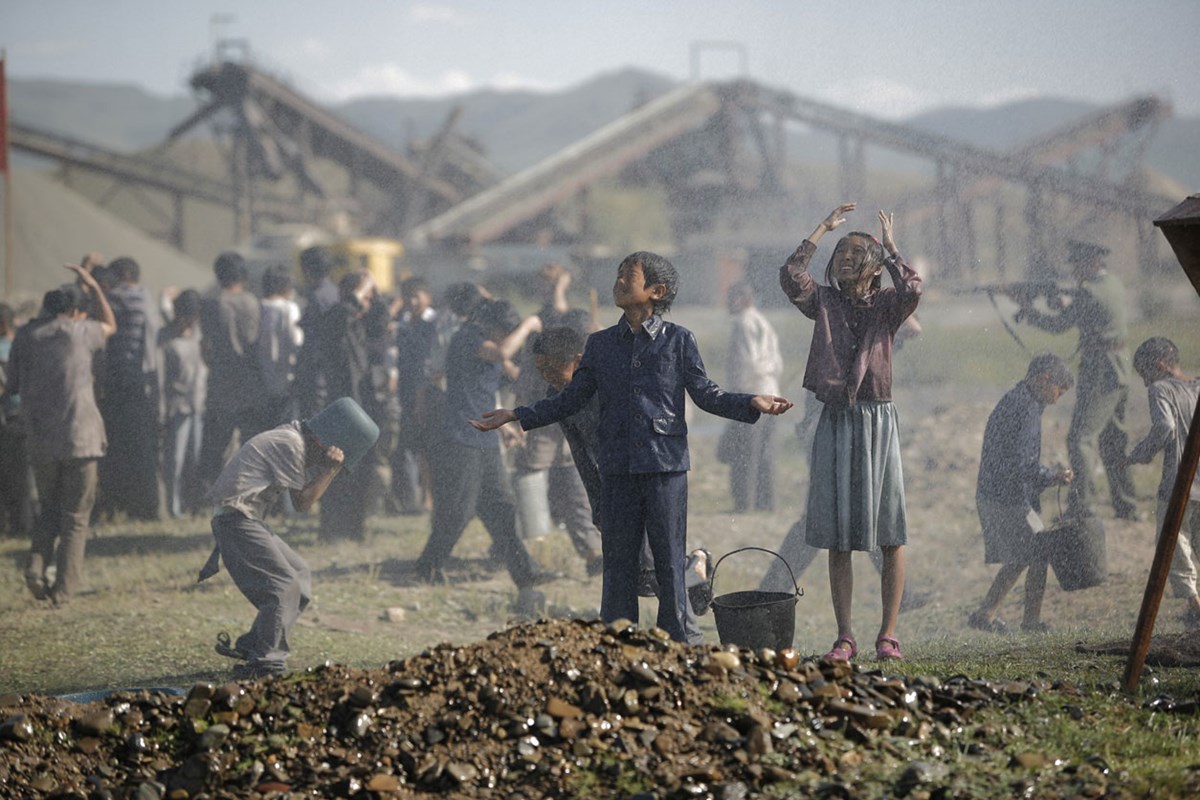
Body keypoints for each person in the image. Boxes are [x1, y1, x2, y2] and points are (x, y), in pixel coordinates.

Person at [471, 252, 793, 643]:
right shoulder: (600, 345)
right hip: (617, 469)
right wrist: (517, 414)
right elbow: (570, 400)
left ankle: (680, 643)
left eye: (629, 276)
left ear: (657, 291)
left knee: (668, 564)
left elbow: (706, 394)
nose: (619, 281)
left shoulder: (679, 340)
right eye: (619, 274)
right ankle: (618, 642)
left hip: (665, 467)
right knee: (619, 567)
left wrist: (749, 402)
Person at [778, 203, 920, 661]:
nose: (845, 258)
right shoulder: (824, 301)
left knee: (890, 531)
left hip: (878, 419)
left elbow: (913, 287)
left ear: (874, 267)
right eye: (841, 252)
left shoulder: (888, 306)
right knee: (838, 535)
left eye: (856, 253)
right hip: (836, 419)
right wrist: (821, 229)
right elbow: (792, 275)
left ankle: (888, 635)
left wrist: (892, 247)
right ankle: (845, 637)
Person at [414, 298, 556, 599]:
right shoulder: (467, 339)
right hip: (462, 438)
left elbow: (479, 395)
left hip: (485, 439)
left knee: (501, 508)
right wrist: (529, 324)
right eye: (505, 332)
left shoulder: (483, 344)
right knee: (459, 510)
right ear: (491, 326)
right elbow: (502, 353)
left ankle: (525, 573)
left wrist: (503, 427)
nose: (506, 338)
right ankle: (428, 566)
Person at [199, 410, 348, 679]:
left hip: (244, 517)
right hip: (235, 519)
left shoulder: (293, 438)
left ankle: (256, 643)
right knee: (283, 585)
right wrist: (331, 469)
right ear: (321, 443)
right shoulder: (292, 444)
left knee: (299, 574)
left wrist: (329, 467)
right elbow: (303, 503)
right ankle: (266, 662)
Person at [7, 265, 116, 603]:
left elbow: (12, 384)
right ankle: (64, 591)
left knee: (49, 509)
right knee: (76, 517)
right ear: (72, 310)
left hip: (41, 438)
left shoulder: (25, 336)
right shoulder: (79, 331)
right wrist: (94, 286)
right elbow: (110, 325)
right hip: (81, 438)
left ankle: (36, 567)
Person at [1015, 239, 1137, 520]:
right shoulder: (1113, 284)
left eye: (1078, 264)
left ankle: (1084, 507)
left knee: (1080, 439)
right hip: (1119, 367)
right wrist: (1065, 303)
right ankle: (1126, 505)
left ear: (1092, 262)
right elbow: (1089, 315)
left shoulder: (1088, 293)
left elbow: (1057, 325)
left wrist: (1026, 309)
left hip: (1101, 372)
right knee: (1114, 439)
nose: (1074, 271)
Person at [968, 354, 1075, 634]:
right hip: (1006, 496)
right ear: (1044, 379)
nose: (1056, 400)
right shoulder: (1026, 408)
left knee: (1024, 555)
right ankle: (1029, 622)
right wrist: (1053, 476)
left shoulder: (1019, 399)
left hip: (995, 492)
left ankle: (986, 613)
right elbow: (1023, 465)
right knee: (1038, 551)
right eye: (1058, 392)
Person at [1126, 337, 1200, 628]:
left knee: (1174, 544)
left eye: (1145, 374)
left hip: (1178, 485)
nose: (1145, 383)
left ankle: (1195, 605)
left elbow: (1165, 426)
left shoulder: (1160, 389)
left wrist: (1141, 453)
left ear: (1159, 366)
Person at [97, 256, 162, 521]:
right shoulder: (146, 298)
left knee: (118, 447)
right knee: (141, 447)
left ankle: (120, 504)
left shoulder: (118, 298)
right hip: (143, 382)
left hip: (119, 382)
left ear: (123, 275)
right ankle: (145, 507)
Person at [199, 252, 265, 491]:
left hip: (220, 382)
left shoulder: (211, 304)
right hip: (249, 383)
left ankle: (210, 493)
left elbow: (205, 346)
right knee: (250, 444)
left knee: (215, 445)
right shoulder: (252, 303)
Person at [719, 281, 783, 512]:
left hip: (751, 397)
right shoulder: (763, 322)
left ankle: (743, 504)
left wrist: (737, 399)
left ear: (743, 300)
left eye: (732, 298)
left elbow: (746, 363)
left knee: (743, 455)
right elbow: (776, 363)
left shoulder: (742, 323)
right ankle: (766, 504)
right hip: (771, 395)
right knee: (764, 454)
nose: (728, 303)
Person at [158, 289, 208, 518]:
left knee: (197, 458)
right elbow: (160, 378)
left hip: (200, 404)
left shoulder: (199, 333)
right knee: (175, 460)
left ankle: (193, 504)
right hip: (177, 406)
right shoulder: (166, 337)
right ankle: (173, 507)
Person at [0, 302, 35, 539]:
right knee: (22, 478)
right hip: (24, 416)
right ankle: (24, 525)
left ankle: (8, 526)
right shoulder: (24, 345)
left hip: (8, 418)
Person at [258, 266, 304, 426]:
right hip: (286, 380)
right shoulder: (288, 309)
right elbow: (296, 343)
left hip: (262, 381)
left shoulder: (258, 307)